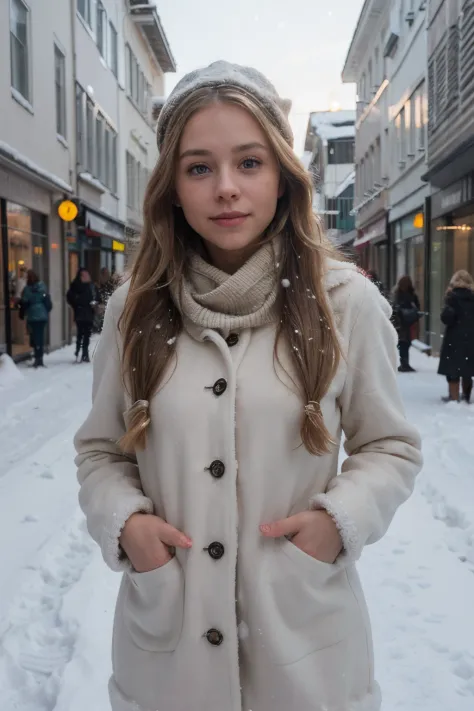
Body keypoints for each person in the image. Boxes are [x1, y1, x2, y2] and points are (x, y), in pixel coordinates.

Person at [74, 61, 422, 711]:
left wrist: (334, 523)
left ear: (284, 178)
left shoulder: (345, 303)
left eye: (249, 163)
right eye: (199, 167)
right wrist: (128, 528)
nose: (226, 188)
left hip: (306, 650)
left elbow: (390, 447)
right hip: (168, 658)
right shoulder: (135, 309)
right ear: (173, 187)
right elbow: (101, 451)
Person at [438, 270, 474, 403]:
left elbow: (446, 318)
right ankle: (466, 396)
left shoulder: (452, 297)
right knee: (468, 369)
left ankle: (453, 397)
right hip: (471, 338)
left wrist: (447, 302)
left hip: (454, 338)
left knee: (453, 370)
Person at [20, 269, 52, 368]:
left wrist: (22, 313)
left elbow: (24, 302)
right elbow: (48, 303)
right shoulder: (42, 287)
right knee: (40, 336)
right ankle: (39, 358)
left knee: (34, 336)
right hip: (42, 315)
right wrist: (45, 310)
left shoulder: (27, 289)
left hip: (32, 316)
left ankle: (37, 357)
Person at [67, 268, 97, 363]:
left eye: (87, 275)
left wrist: (95, 303)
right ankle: (78, 351)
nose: (86, 277)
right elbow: (70, 297)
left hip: (89, 313)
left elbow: (97, 297)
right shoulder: (75, 286)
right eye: (84, 275)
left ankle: (85, 353)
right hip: (79, 312)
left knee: (87, 335)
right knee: (80, 334)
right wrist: (76, 303)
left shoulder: (92, 286)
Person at [392, 275, 421, 372]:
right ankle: (405, 363)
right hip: (408, 324)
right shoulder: (412, 295)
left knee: (402, 343)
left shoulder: (397, 294)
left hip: (399, 323)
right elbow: (417, 308)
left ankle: (403, 363)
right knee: (405, 343)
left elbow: (393, 308)